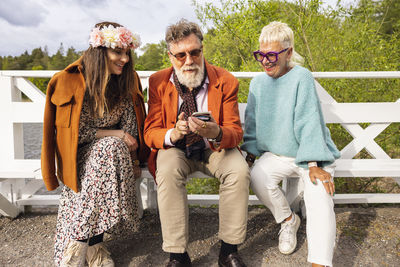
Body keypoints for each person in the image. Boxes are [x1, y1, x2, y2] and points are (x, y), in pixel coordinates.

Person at [41, 21, 149, 267]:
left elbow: (131, 127)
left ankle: (78, 243)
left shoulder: (127, 80)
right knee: (108, 148)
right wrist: (114, 134)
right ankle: (93, 246)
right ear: (100, 51)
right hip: (78, 160)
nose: (124, 58)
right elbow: (69, 135)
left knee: (109, 149)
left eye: (127, 53)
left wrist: (132, 158)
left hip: (115, 158)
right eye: (117, 52)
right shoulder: (68, 80)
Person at [144, 19, 250, 267]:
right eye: (180, 55)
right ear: (170, 56)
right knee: (167, 170)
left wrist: (216, 132)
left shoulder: (226, 80)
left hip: (214, 148)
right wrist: (173, 133)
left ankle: (229, 250)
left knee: (239, 171)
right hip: (178, 150)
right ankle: (177, 255)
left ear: (203, 50)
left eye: (194, 52)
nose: (189, 61)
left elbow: (235, 132)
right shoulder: (158, 82)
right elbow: (150, 132)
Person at [241, 21, 340, 267]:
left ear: (288, 52)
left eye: (272, 55)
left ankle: (320, 261)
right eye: (261, 55)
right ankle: (288, 220)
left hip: (311, 153)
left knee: (319, 192)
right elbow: (251, 124)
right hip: (278, 154)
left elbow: (309, 120)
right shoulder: (257, 83)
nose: (265, 61)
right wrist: (249, 157)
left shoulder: (301, 77)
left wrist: (314, 163)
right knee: (257, 177)